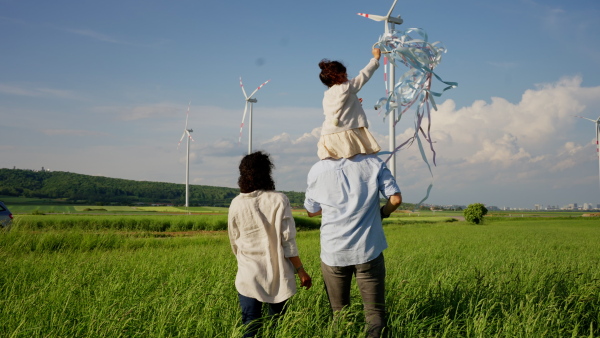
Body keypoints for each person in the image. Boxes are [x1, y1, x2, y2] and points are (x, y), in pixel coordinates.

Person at [305, 149, 402, 335]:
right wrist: (382, 212)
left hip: (333, 250)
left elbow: (312, 210)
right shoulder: (374, 163)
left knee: (339, 312)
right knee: (374, 311)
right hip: (368, 249)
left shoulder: (317, 169)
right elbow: (396, 200)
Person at [228, 151, 312, 338]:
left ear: (243, 174)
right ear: (267, 172)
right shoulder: (279, 200)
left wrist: (244, 262)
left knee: (250, 327)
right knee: (277, 327)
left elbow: (234, 242)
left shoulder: (236, 204)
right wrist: (301, 270)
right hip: (279, 274)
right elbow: (288, 241)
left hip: (248, 276)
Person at [317, 47, 382, 160]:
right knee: (357, 160)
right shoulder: (347, 87)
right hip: (347, 131)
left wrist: (353, 103)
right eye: (345, 75)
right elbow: (364, 75)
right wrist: (375, 59)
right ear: (341, 75)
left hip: (328, 134)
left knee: (336, 162)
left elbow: (336, 111)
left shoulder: (327, 95)